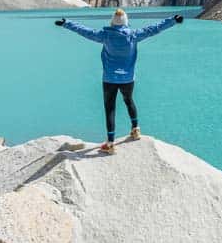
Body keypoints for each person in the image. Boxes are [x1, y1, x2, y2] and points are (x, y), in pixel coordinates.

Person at [55, 8, 183, 153]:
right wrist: (173, 20)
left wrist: (67, 23)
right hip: (128, 78)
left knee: (110, 108)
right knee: (129, 100)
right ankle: (135, 130)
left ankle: (110, 144)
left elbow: (85, 31)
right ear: (126, 21)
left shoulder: (105, 35)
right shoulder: (134, 35)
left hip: (109, 78)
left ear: (112, 22)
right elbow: (155, 29)